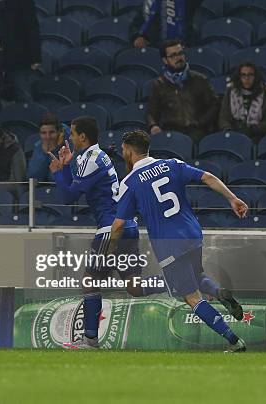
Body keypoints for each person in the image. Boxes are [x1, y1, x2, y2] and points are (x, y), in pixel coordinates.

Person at [109, 130, 247, 352]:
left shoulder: (130, 182)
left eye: (123, 149)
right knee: (197, 275)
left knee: (192, 298)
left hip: (169, 244)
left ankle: (234, 342)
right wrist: (232, 198)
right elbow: (208, 177)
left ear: (128, 150)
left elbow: (118, 225)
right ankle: (220, 292)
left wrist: (109, 249)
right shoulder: (172, 164)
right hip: (192, 233)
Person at [48, 117, 167, 349]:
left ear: (82, 136)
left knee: (90, 282)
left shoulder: (92, 158)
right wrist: (67, 168)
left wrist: (59, 172)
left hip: (111, 229)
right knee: (133, 287)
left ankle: (90, 339)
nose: (70, 139)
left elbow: (69, 197)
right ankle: (174, 281)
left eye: (73, 134)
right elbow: (78, 186)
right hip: (126, 226)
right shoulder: (93, 156)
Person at [147, 39, 219, 142]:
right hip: (170, 132)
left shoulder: (200, 79)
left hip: (197, 132)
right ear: (165, 60)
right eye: (173, 56)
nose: (178, 58)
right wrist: (153, 126)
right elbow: (151, 112)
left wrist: (200, 122)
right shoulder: (159, 84)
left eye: (180, 53)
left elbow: (214, 104)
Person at [219, 62, 266, 143]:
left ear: (256, 76)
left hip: (258, 135)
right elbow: (224, 117)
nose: (247, 78)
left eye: (250, 75)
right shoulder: (231, 91)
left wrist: (255, 129)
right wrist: (228, 129)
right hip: (234, 133)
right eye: (243, 75)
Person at [130, 0, 204, 48]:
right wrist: (138, 37)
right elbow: (137, 24)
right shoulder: (150, 2)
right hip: (152, 48)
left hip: (181, 48)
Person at [27, 112, 70, 182]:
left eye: (52, 132)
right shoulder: (39, 146)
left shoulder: (70, 145)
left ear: (59, 132)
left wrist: (55, 150)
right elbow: (33, 178)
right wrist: (44, 153)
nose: (48, 137)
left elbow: (59, 179)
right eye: (43, 133)